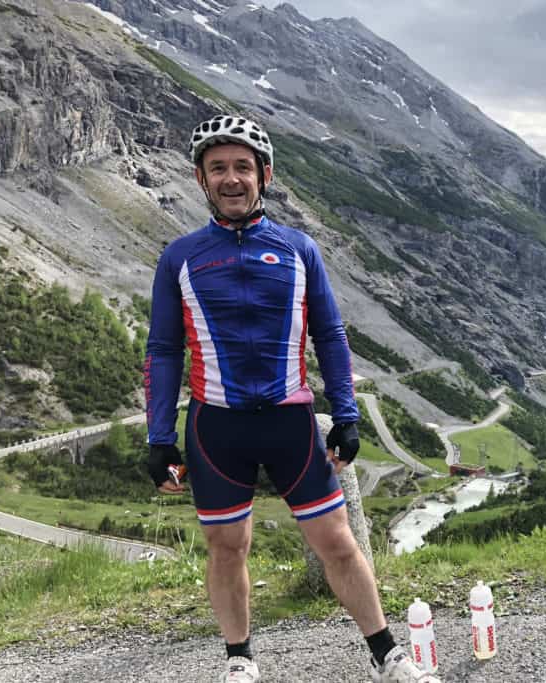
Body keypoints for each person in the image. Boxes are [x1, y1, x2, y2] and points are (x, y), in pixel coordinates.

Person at [144, 114, 441, 683]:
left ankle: (387, 655)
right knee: (228, 547)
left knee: (338, 542)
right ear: (201, 180)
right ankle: (239, 661)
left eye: (242, 168)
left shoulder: (299, 249)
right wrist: (159, 439)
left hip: (291, 422)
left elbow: (330, 335)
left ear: (265, 175)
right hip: (216, 427)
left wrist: (347, 416)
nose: (232, 179)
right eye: (218, 169)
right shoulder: (179, 258)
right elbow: (162, 349)